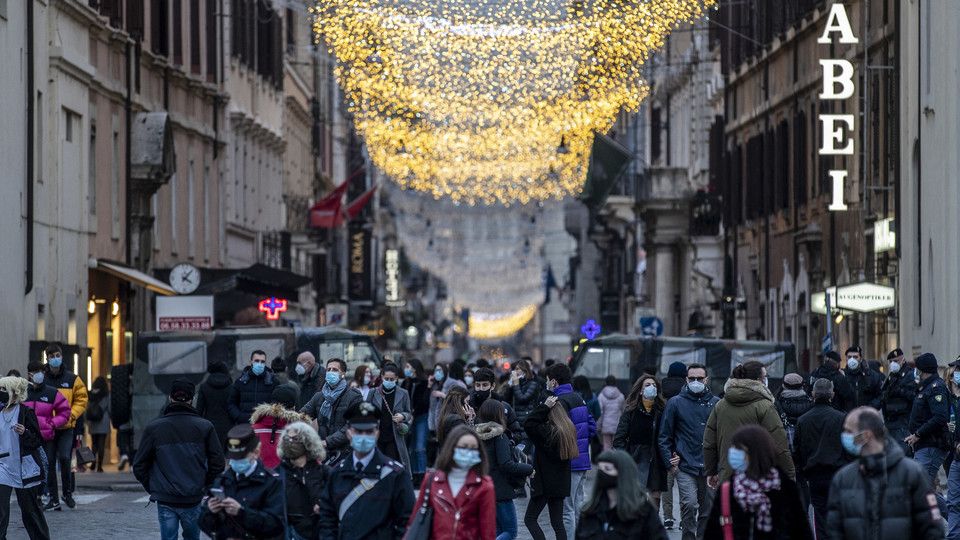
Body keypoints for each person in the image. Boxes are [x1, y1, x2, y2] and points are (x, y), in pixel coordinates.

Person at [827, 407, 944, 540]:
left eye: (849, 431)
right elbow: (834, 531)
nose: (845, 437)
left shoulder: (912, 474)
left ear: (866, 435)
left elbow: (932, 530)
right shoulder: (843, 479)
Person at [134, 379, 225, 540]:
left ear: (170, 398)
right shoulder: (205, 426)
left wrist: (154, 487)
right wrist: (205, 485)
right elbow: (217, 463)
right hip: (193, 496)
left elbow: (139, 465)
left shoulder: (155, 428)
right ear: (192, 399)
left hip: (166, 497)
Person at [317, 401, 415, 539]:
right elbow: (327, 518)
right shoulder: (337, 473)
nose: (363, 436)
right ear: (349, 434)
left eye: (369, 431)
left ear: (377, 434)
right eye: (358, 431)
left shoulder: (395, 475)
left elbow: (407, 521)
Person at [703, 425, 811, 540]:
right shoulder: (728, 490)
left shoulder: (785, 488)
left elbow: (801, 531)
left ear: (754, 452)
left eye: (738, 449)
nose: (733, 453)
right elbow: (712, 533)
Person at [703, 361, 795, 487]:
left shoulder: (721, 405)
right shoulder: (765, 406)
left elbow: (709, 442)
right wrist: (789, 475)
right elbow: (779, 445)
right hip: (759, 479)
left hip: (727, 478)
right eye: (765, 376)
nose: (766, 380)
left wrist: (711, 471)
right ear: (758, 380)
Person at [659, 363, 720, 540]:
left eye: (699, 378)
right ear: (686, 379)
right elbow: (664, 436)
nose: (695, 381)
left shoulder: (716, 404)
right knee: (689, 504)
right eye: (692, 378)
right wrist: (670, 463)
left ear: (706, 379)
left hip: (709, 467)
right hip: (685, 466)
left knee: (707, 510)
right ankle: (688, 537)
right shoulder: (675, 403)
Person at [410, 424, 496, 539]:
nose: (468, 452)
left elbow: (488, 531)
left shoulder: (484, 485)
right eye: (464, 447)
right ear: (452, 448)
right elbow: (415, 519)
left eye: (473, 448)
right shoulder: (431, 480)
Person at [199, 424, 284, 539]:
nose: (235, 461)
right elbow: (204, 524)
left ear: (256, 452)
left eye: (240, 457)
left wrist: (242, 513)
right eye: (233, 457)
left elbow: (276, 525)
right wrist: (210, 512)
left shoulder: (272, 482)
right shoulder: (223, 481)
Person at [545, 363, 597, 540]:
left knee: (566, 509)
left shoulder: (558, 402)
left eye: (547, 380)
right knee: (579, 505)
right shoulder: (578, 398)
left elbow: (557, 433)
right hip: (582, 460)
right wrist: (582, 446)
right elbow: (592, 427)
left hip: (568, 462)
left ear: (553, 381)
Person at [794, 379, 848, 540]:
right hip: (838, 473)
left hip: (814, 475)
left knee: (820, 516)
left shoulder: (803, 420)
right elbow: (850, 446)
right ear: (832, 394)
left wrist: (802, 472)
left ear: (813, 394)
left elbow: (798, 450)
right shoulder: (841, 418)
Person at [576, 449, 668, 540]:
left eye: (607, 469)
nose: (602, 473)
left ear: (622, 474)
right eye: (600, 469)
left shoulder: (642, 511)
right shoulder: (590, 511)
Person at [523, 394, 578, 540]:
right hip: (560, 484)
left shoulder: (548, 432)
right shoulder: (567, 430)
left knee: (530, 519)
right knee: (557, 523)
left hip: (544, 484)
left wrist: (544, 407)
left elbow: (528, 423)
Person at [477, 400, 533, 540]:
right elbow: (506, 464)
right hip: (501, 490)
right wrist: (529, 468)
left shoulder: (476, 435)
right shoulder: (500, 436)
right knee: (510, 531)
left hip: (485, 488)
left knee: (497, 529)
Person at [0, 376, 48, 539]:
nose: (1, 393)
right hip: (2, 467)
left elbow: (37, 441)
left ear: (15, 393)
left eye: (4, 389)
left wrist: (25, 433)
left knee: (30, 511)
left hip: (23, 468)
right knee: (0, 510)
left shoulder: (26, 413)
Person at [42, 344, 87, 511]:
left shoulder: (73, 379)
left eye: (57, 355)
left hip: (67, 427)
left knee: (66, 459)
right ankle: (53, 498)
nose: (55, 358)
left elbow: (81, 400)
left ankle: (67, 493)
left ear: (61, 356)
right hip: (49, 428)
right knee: (50, 461)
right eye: (52, 355)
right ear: (47, 358)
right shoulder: (43, 380)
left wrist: (71, 415)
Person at [613, 374, 668, 510]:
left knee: (654, 502)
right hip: (636, 459)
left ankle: (651, 528)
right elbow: (618, 439)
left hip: (656, 460)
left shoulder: (662, 411)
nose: (651, 388)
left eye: (654, 385)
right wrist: (626, 459)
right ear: (641, 390)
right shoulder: (631, 411)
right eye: (648, 385)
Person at [301, 358, 363, 460]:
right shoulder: (319, 396)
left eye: (334, 370)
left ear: (343, 373)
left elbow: (352, 425)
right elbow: (302, 416)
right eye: (328, 369)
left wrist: (327, 442)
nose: (330, 372)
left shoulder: (354, 396)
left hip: (345, 452)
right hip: (323, 453)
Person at [276, 422, 328, 540]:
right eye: (287, 438)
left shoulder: (324, 472)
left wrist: (325, 506)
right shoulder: (277, 474)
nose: (290, 442)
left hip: (321, 532)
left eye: (295, 439)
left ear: (307, 442)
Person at [907, 352, 951, 484]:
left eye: (917, 369)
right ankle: (938, 505)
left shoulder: (936, 388)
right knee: (927, 488)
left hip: (931, 445)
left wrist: (918, 434)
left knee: (920, 486)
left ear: (922, 371)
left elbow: (940, 417)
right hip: (924, 445)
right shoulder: (925, 387)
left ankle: (940, 505)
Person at [366, 363, 413, 471]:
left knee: (391, 465)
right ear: (382, 377)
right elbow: (365, 410)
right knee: (376, 465)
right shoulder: (373, 392)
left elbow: (409, 413)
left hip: (394, 435)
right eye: (386, 378)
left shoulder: (403, 393)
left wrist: (403, 416)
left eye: (392, 379)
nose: (389, 381)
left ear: (396, 378)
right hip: (376, 435)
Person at [250, 385, 308, 470]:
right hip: (289, 481)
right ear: (293, 407)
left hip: (259, 480)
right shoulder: (300, 432)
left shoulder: (253, 430)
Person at [660, 360, 687, 530]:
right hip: (685, 446)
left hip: (667, 446)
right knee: (685, 486)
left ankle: (668, 517)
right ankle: (685, 519)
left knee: (667, 485)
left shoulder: (662, 394)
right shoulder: (687, 392)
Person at [23, 361, 70, 448]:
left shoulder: (52, 392)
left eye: (42, 371)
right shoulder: (23, 393)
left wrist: (52, 423)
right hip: (27, 438)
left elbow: (65, 411)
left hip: (46, 439)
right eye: (37, 372)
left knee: (49, 461)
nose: (40, 374)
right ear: (30, 375)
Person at [227, 349, 278, 426]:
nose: (259, 364)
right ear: (251, 362)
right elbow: (231, 403)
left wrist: (269, 418)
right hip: (244, 425)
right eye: (257, 361)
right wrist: (239, 417)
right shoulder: (241, 381)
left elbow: (277, 403)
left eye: (262, 362)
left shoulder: (273, 382)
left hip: (266, 426)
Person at [471, 367, 523, 442]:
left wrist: (510, 442)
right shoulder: (469, 406)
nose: (481, 389)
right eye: (478, 385)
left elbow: (516, 432)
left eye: (485, 385)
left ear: (492, 386)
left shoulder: (504, 406)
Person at [880, 348, 917, 452]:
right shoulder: (892, 375)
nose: (893, 364)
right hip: (890, 421)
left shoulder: (910, 375)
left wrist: (900, 391)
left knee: (902, 452)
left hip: (903, 421)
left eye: (896, 361)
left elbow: (914, 396)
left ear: (903, 360)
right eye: (891, 361)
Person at [402, 359, 430, 484]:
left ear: (414, 368)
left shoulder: (424, 383)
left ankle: (422, 475)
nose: (406, 369)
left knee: (419, 447)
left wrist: (414, 412)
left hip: (421, 417)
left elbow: (425, 401)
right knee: (410, 448)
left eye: (408, 366)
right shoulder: (405, 382)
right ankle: (413, 475)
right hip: (408, 418)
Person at [196, 360, 234, 449]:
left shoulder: (204, 387)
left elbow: (199, 410)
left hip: (209, 426)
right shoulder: (232, 387)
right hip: (228, 427)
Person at [774, 373, 813, 453]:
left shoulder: (777, 403)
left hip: (785, 451)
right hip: (807, 451)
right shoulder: (811, 403)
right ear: (802, 386)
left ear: (784, 386)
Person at [428, 362, 467, 438]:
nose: (437, 373)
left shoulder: (453, 383)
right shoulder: (435, 385)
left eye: (439, 370)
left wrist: (443, 395)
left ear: (445, 371)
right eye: (435, 370)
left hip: (448, 419)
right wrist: (429, 386)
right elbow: (429, 404)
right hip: (436, 421)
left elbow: (458, 400)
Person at [505, 358, 541, 427]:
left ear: (525, 370)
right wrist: (509, 386)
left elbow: (522, 399)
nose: (515, 372)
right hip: (515, 419)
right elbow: (506, 399)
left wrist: (516, 384)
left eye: (518, 369)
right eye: (514, 369)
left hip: (526, 420)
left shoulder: (532, 384)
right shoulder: (516, 384)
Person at [85, 376, 110, 472]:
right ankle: (100, 466)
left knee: (94, 443)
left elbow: (87, 407)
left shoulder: (91, 394)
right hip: (103, 420)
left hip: (93, 422)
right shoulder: (106, 394)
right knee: (101, 444)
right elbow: (110, 407)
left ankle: (93, 463)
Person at [597, 375, 625, 451]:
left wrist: (598, 426)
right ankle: (616, 461)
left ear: (606, 382)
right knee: (616, 445)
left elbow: (600, 412)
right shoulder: (621, 396)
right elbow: (623, 411)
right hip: (617, 425)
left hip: (606, 425)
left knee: (606, 446)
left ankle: (607, 461)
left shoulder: (601, 396)